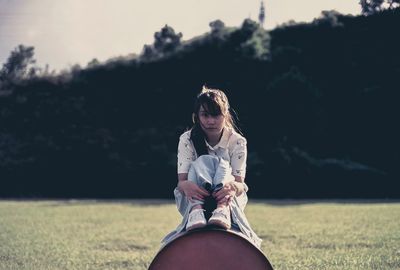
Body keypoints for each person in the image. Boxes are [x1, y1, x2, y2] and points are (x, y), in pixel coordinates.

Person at [162, 86, 262, 248]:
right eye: (205, 115)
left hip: (227, 197)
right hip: (194, 196)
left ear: (225, 115)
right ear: (197, 117)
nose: (210, 121)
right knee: (201, 163)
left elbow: (239, 184)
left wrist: (230, 189)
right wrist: (187, 187)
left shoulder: (237, 141)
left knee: (221, 165)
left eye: (216, 115)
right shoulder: (187, 139)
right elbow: (182, 182)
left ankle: (222, 211)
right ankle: (196, 212)